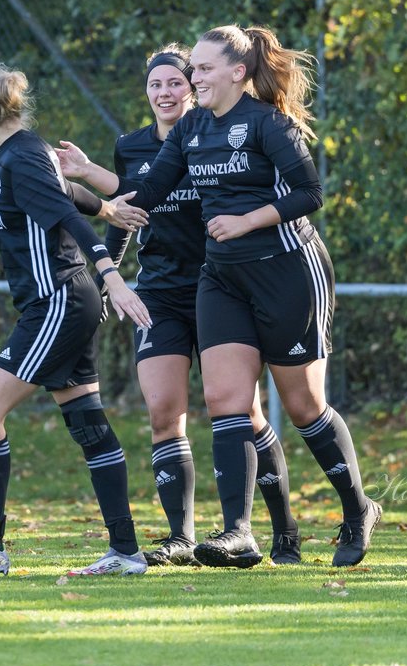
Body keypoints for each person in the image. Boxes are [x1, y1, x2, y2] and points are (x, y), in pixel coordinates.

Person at [58, 25, 380, 569]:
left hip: (287, 273)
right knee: (225, 402)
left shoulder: (268, 123)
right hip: (222, 279)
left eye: (202, 70)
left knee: (303, 407)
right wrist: (86, 183)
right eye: (193, 71)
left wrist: (247, 219)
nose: (193, 80)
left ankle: (357, 508)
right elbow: (152, 191)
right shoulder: (190, 131)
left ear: (237, 72)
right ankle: (237, 533)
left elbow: (310, 192)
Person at [0, 63, 154, 578]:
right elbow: (66, 197)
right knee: (87, 421)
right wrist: (107, 207)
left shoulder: (21, 157)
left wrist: (111, 274)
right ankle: (126, 552)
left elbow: (61, 215)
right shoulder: (26, 154)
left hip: (57, 301)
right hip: (63, 301)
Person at [100, 43, 299, 566]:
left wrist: (90, 182)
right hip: (159, 293)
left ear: (195, 88)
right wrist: (109, 275)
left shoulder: (210, 137)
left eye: (176, 82)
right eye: (156, 85)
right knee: (164, 412)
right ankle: (181, 538)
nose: (166, 92)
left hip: (220, 287)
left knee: (243, 413)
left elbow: (294, 190)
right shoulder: (133, 146)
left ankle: (281, 530)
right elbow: (130, 205)